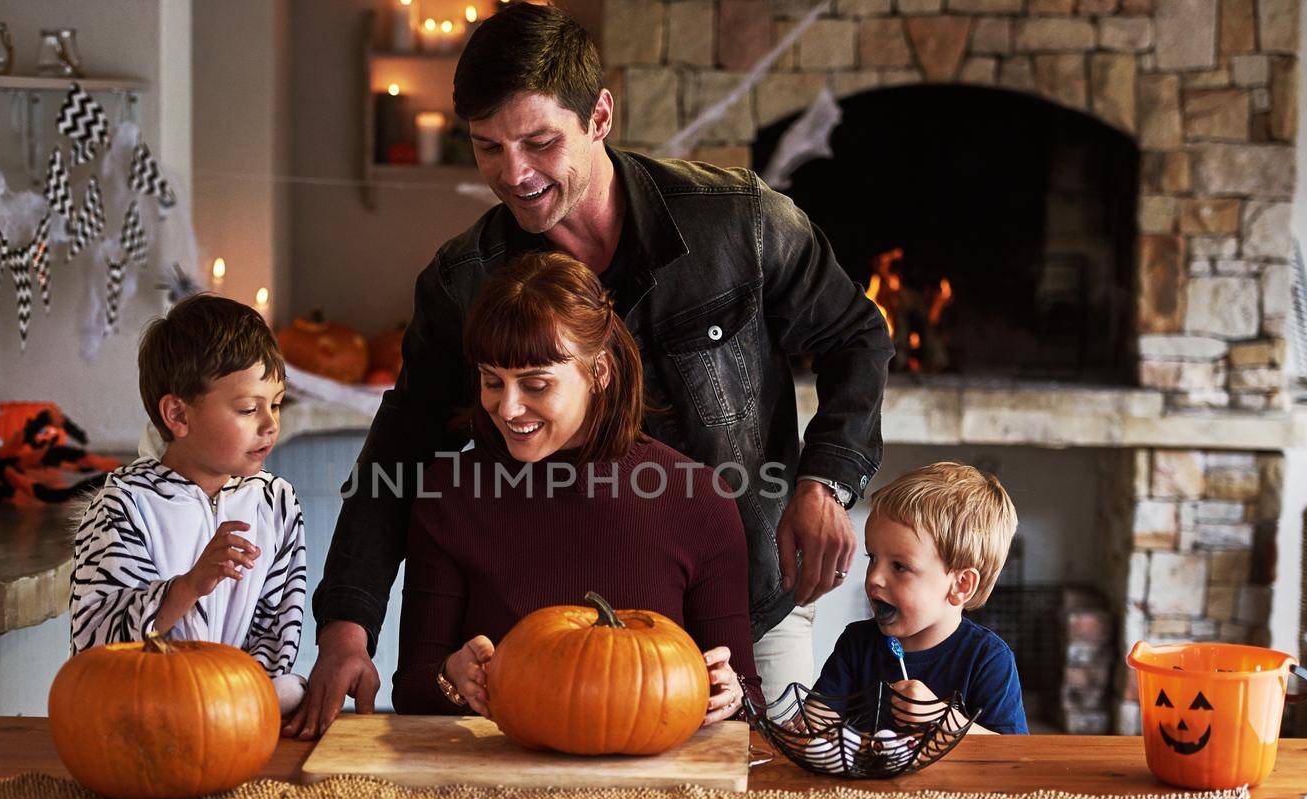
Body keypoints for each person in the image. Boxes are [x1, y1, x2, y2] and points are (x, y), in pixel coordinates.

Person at [289, 3, 892, 737]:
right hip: (547, 640)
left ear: (599, 116)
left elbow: (858, 334)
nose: (514, 175)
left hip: (740, 618)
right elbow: (399, 451)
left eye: (540, 143)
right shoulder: (462, 282)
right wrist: (348, 624)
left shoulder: (740, 221)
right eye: (488, 148)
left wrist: (825, 482)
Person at [391, 252, 757, 722]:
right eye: (492, 382)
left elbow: (745, 694)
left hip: (649, 784)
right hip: (500, 779)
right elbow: (413, 687)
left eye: (536, 385)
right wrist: (451, 677)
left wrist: (730, 694)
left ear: (598, 372)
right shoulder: (450, 495)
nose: (507, 408)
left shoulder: (700, 502)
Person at [70, 294, 309, 715]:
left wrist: (234, 701)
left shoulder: (277, 503)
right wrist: (188, 587)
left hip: (233, 710)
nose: (271, 424)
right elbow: (98, 646)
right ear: (178, 416)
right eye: (248, 408)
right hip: (141, 708)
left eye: (275, 404)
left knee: (290, 690)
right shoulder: (122, 505)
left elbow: (275, 632)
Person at [812, 462, 1027, 735]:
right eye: (872, 558)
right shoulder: (857, 644)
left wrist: (941, 716)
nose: (874, 578)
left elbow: (1011, 756)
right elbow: (819, 718)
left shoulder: (988, 659)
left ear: (961, 585)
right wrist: (811, 722)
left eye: (899, 567)